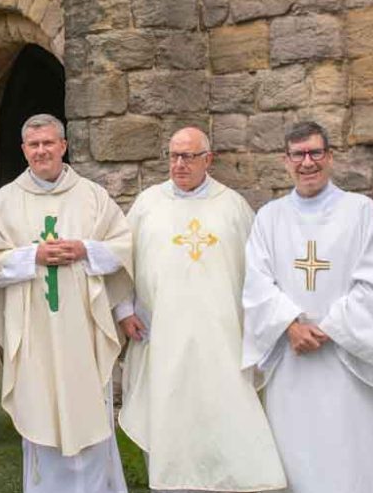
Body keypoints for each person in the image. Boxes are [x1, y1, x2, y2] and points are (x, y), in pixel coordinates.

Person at [242, 121, 373, 493]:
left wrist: (328, 329)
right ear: (285, 161)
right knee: (299, 457)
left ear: (330, 157)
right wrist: (290, 325)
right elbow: (257, 284)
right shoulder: (269, 218)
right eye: (298, 154)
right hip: (293, 361)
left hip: (349, 363)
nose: (307, 163)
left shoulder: (360, 212)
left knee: (354, 456)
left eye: (315, 152)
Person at [115, 127, 286, 492]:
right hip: (162, 333)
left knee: (223, 413)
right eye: (174, 156)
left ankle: (229, 482)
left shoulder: (234, 207)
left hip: (222, 335)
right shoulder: (147, 204)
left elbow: (259, 272)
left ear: (208, 159)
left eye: (189, 156)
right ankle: (173, 482)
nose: (179, 164)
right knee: (169, 411)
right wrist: (124, 310)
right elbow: (123, 263)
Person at [0, 114, 132, 493]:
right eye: (34, 145)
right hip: (34, 331)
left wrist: (84, 249)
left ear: (63, 146)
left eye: (49, 143)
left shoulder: (94, 197)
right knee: (40, 413)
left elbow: (124, 248)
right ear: (24, 151)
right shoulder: (4, 202)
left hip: (82, 328)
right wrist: (33, 257)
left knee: (89, 413)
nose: (42, 150)